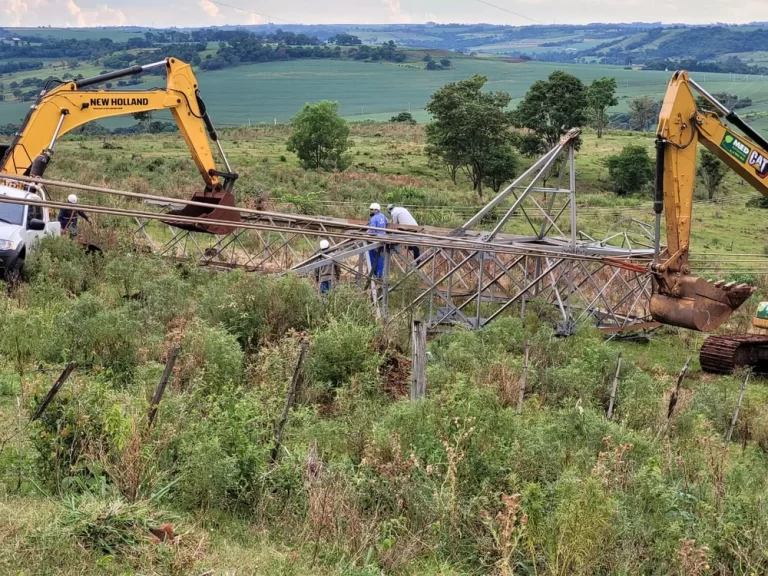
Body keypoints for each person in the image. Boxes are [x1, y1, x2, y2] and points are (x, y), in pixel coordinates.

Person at [367, 203, 388, 278]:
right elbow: (387, 222)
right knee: (381, 257)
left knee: (373, 257)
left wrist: (367, 233)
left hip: (375, 240)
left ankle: (374, 273)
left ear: (375, 210)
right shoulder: (383, 216)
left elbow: (372, 231)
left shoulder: (373, 219)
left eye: (371, 210)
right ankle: (380, 274)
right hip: (383, 239)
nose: (371, 211)